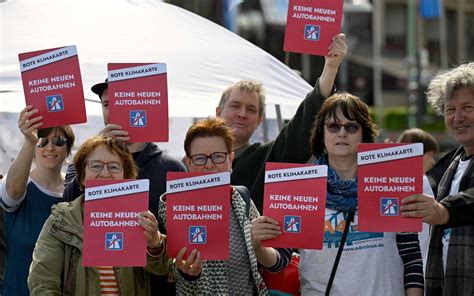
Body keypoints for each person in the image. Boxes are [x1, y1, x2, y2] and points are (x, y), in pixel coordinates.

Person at [251, 93, 424, 295]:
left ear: (363, 134)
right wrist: (257, 245)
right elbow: (279, 262)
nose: (342, 133)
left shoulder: (389, 181)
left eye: (351, 126)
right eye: (333, 126)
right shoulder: (298, 185)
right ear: (321, 135)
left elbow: (411, 256)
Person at [28, 135, 201, 295]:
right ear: (82, 177)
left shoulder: (140, 217)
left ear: (126, 177)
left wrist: (155, 243)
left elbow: (166, 269)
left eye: (113, 166)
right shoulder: (61, 220)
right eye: (95, 166)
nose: (104, 173)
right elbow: (42, 282)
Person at [63, 79, 186, 295]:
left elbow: (180, 241)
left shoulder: (171, 168)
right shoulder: (83, 162)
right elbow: (68, 205)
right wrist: (99, 153)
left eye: (120, 103)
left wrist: (155, 239)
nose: (112, 112)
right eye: (107, 104)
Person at [216, 33, 348, 213]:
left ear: (259, 120)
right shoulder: (189, 160)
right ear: (218, 112)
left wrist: (330, 67)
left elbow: (300, 128)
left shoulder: (264, 158)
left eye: (251, 109)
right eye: (235, 106)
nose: (242, 114)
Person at [158, 118, 269, 295]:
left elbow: (267, 255)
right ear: (188, 162)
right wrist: (186, 273)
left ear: (230, 159)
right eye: (200, 158)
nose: (209, 165)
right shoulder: (172, 207)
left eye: (218, 156)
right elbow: (164, 265)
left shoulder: (241, 199)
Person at [401, 63, 474, 295]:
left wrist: (444, 211)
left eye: (468, 107)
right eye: (450, 109)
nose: (458, 117)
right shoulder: (449, 165)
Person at [0, 105, 75, 296]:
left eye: (59, 141)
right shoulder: (19, 182)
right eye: (42, 141)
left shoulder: (73, 193)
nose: (50, 147)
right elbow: (12, 193)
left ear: (68, 148)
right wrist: (29, 140)